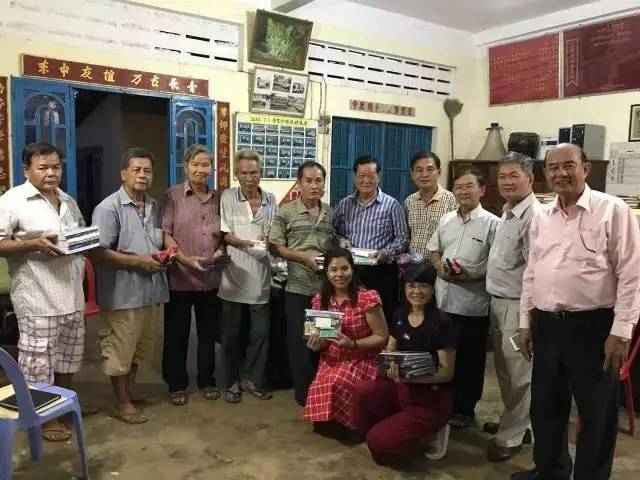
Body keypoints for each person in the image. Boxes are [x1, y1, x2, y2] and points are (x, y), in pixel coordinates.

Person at [513, 144, 640, 480]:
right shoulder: (542, 216)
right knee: (545, 407)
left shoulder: (613, 210)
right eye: (553, 167)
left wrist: (621, 331)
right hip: (547, 325)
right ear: (545, 173)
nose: (560, 173)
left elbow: (632, 274)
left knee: (596, 413)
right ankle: (550, 471)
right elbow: (531, 272)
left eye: (569, 165)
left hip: (594, 327)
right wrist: (525, 321)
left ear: (586, 169)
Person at [0, 142, 86, 442]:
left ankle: (60, 409)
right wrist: (33, 244)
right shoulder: (13, 200)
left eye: (56, 167)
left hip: (72, 295)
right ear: (27, 170)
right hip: (37, 297)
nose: (51, 173)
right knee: (38, 362)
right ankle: (41, 419)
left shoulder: (67, 200)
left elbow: (77, 235)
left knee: (67, 360)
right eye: (43, 167)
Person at [91, 147, 169, 425]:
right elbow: (97, 252)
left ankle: (130, 393)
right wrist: (138, 262)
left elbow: (156, 242)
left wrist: (163, 257)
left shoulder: (154, 206)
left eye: (147, 171)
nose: (142, 175)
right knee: (119, 350)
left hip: (151, 292)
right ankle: (121, 402)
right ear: (123, 174)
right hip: (122, 294)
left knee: (139, 349)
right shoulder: (108, 208)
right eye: (136, 170)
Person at [356, 263, 456, 465]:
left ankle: (434, 429)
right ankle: (400, 426)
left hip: (431, 397)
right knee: (363, 393)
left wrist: (411, 377)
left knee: (378, 444)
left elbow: (446, 373)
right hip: (401, 388)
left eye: (423, 286)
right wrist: (387, 361)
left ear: (432, 289)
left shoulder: (442, 322)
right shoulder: (400, 315)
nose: (416, 291)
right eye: (411, 285)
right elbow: (390, 348)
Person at [427, 169, 499, 429]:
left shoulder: (493, 224)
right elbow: (434, 250)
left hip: (472, 305)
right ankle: (442, 405)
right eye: (459, 187)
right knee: (443, 356)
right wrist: (439, 268)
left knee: (470, 360)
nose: (464, 191)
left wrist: (471, 276)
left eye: (470, 186)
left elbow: (496, 264)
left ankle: (465, 409)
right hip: (443, 300)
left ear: (482, 190)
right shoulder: (446, 219)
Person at [161, 144, 227, 406]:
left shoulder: (218, 198)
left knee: (207, 334)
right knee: (177, 333)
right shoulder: (173, 196)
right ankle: (176, 383)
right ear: (186, 166)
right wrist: (185, 260)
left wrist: (220, 250)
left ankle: (206, 380)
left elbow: (224, 234)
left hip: (209, 279)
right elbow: (165, 234)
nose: (201, 169)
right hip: (179, 277)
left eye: (206, 164)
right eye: (196, 164)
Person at [485, 152, 539, 462]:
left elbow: (534, 272)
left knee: (519, 374)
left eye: (513, 176)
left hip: (517, 307)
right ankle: (519, 423)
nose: (506, 182)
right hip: (498, 302)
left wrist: (526, 318)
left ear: (530, 179)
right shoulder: (508, 211)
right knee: (505, 371)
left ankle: (512, 435)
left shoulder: (533, 217)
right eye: (502, 176)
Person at [269, 161, 335, 406]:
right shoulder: (286, 212)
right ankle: (304, 393)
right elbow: (276, 246)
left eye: (318, 180)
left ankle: (321, 387)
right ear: (299, 183)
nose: (314, 186)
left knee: (323, 339)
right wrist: (304, 258)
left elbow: (335, 244)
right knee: (299, 343)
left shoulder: (330, 212)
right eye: (308, 181)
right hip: (297, 289)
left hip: (324, 290)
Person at [305, 248, 388, 431]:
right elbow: (324, 339)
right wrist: (317, 344)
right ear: (326, 272)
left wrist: (353, 344)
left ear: (353, 269)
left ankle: (354, 424)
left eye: (344, 268)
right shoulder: (321, 300)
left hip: (363, 358)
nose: (339, 275)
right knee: (323, 382)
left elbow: (382, 337)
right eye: (334, 270)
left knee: (337, 380)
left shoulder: (367, 298)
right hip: (332, 358)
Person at [219, 150, 278, 403]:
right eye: (243, 173)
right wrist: (246, 243)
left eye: (254, 172)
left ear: (261, 173)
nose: (249, 177)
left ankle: (252, 379)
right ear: (236, 174)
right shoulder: (228, 197)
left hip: (261, 276)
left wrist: (268, 239)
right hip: (233, 277)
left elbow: (273, 231)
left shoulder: (270, 199)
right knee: (231, 335)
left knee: (260, 333)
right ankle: (232, 380)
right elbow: (225, 233)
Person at [333, 155, 409, 326]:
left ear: (378, 176)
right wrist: (340, 240)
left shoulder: (391, 205)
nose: (366, 180)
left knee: (382, 317)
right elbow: (332, 232)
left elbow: (402, 238)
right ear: (354, 177)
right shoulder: (345, 204)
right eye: (361, 176)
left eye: (371, 176)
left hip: (381, 271)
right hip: (351, 272)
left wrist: (385, 253)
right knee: (352, 316)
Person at [404, 152, 458, 260]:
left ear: (439, 172)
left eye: (430, 169)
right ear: (412, 174)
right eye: (419, 170)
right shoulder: (409, 202)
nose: (424, 175)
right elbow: (406, 235)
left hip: (441, 265)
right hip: (413, 265)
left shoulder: (452, 201)